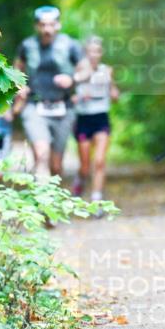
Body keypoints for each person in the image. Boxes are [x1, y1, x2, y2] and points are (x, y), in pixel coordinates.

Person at [12, 5, 84, 177]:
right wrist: (20, 85)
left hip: (63, 107)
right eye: (43, 25)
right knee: (41, 154)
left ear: (58, 25)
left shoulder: (71, 45)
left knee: (56, 165)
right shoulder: (27, 46)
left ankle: (51, 199)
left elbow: (86, 70)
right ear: (36, 26)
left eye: (51, 25)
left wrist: (72, 79)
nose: (47, 29)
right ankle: (41, 201)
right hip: (34, 106)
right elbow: (16, 70)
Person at [70, 35, 119, 205]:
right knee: (85, 166)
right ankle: (80, 181)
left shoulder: (107, 70)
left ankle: (96, 199)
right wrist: (76, 97)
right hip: (83, 119)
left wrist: (114, 93)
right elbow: (70, 91)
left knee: (99, 161)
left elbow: (115, 94)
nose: (93, 54)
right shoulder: (78, 69)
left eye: (97, 51)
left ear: (101, 53)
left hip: (101, 118)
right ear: (85, 52)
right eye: (90, 51)